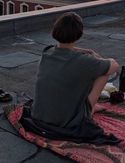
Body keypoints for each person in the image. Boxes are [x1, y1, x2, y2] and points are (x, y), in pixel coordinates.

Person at [28, 12, 120, 144]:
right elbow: (114, 66)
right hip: (64, 123)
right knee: (103, 73)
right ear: (79, 34)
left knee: (73, 78)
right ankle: (89, 109)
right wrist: (96, 56)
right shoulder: (84, 62)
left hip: (39, 116)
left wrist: (81, 50)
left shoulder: (47, 52)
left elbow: (63, 49)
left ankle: (86, 107)